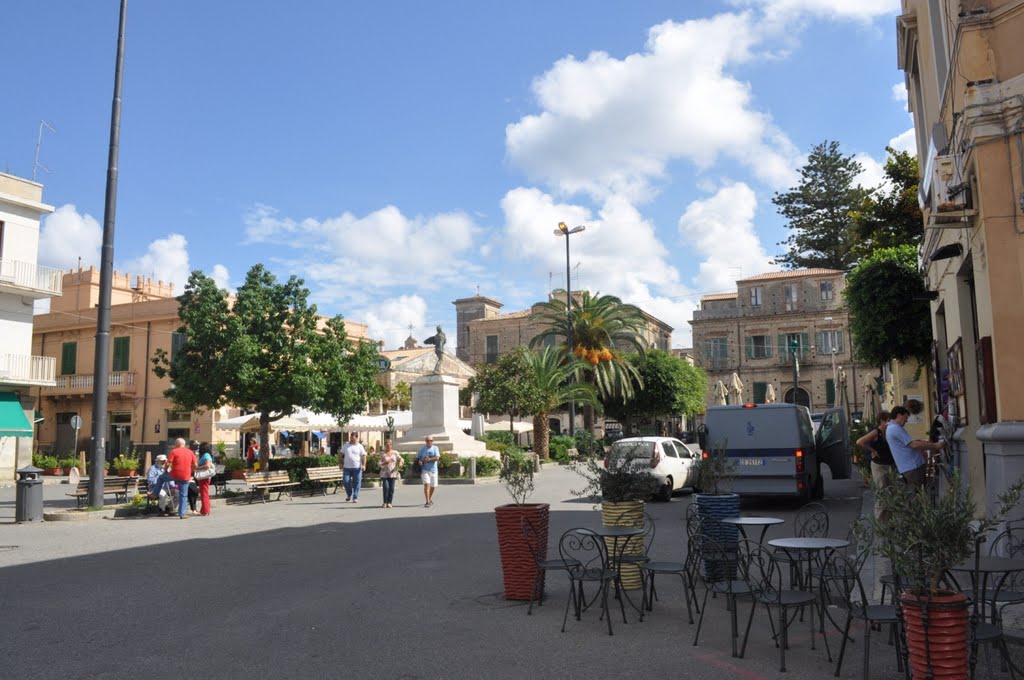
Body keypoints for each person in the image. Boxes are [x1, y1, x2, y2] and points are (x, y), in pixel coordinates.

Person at [885, 405, 944, 487]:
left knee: (919, 492)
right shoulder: (895, 429)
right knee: (920, 493)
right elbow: (913, 445)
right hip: (912, 467)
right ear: (899, 416)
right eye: (905, 418)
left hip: (908, 467)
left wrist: (921, 443)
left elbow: (907, 443)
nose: (906, 421)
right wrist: (935, 445)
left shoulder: (891, 428)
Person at [856, 411, 895, 519]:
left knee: (891, 491)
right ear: (882, 421)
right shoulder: (876, 432)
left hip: (889, 464)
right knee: (882, 492)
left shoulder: (888, 431)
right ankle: (880, 521)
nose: (890, 423)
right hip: (879, 466)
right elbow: (860, 441)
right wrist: (872, 450)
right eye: (888, 420)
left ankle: (888, 520)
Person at [168, 437, 198, 519]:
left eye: (175, 444)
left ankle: (154, 493)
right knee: (183, 495)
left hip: (174, 474)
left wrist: (165, 470)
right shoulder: (190, 452)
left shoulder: (174, 451)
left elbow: (168, 463)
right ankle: (182, 514)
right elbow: (195, 465)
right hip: (185, 476)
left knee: (161, 478)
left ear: (177, 444)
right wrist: (190, 470)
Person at [340, 432, 367, 503]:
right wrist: (340, 463)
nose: (351, 440)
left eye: (353, 438)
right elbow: (340, 454)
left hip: (357, 468)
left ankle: (355, 497)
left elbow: (363, 456)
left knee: (357, 482)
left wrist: (364, 465)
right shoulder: (346, 445)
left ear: (356, 438)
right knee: (346, 482)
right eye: (350, 438)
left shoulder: (360, 446)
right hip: (347, 468)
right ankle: (349, 493)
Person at [416, 436, 440, 507]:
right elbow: (418, 458)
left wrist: (429, 460)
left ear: (433, 441)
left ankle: (429, 498)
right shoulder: (422, 449)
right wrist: (420, 461)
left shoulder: (435, 448)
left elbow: (437, 458)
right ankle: (427, 501)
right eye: (428, 440)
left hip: (434, 470)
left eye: (431, 440)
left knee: (433, 486)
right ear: (425, 441)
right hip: (425, 470)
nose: (429, 442)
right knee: (427, 485)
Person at [379, 439, 402, 508]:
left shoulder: (395, 452)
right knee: (386, 487)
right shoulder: (382, 453)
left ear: (392, 445)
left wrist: (400, 462)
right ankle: (385, 502)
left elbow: (400, 459)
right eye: (387, 444)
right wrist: (384, 463)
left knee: (391, 489)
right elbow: (378, 463)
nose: (388, 446)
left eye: (390, 444)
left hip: (393, 473)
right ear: (385, 445)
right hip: (384, 473)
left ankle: (389, 502)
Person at [196, 442, 215, 516]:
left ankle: (204, 511)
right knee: (205, 493)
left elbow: (207, 465)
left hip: (205, 477)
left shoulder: (206, 455)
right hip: (205, 477)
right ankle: (205, 509)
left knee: (204, 493)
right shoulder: (206, 455)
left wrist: (198, 468)